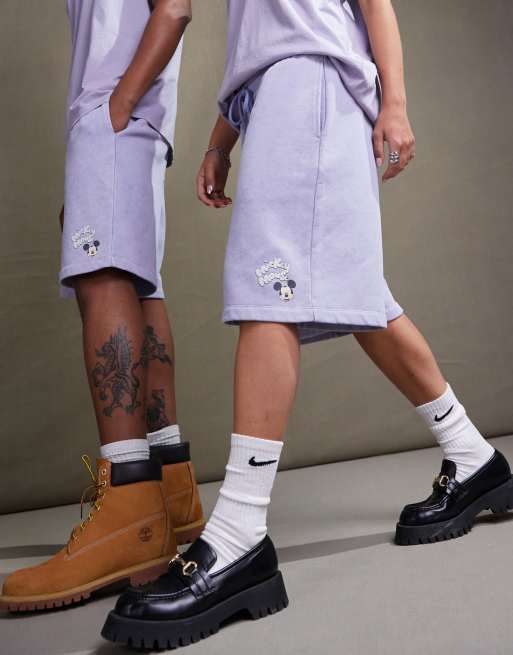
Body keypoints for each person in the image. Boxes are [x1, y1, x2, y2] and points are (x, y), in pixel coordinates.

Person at [102, 0, 513, 648]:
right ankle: (474, 457)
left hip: (310, 87)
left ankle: (239, 536)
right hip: (283, 94)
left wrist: (395, 104)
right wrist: (222, 138)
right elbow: (262, 33)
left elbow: (369, 4)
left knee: (268, 290)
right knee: (357, 296)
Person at [0, 0, 204, 613]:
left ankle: (130, 503)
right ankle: (170, 488)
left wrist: (112, 112)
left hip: (116, 113)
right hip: (139, 125)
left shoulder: (114, 112)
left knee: (104, 282)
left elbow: (174, 9)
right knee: (142, 288)